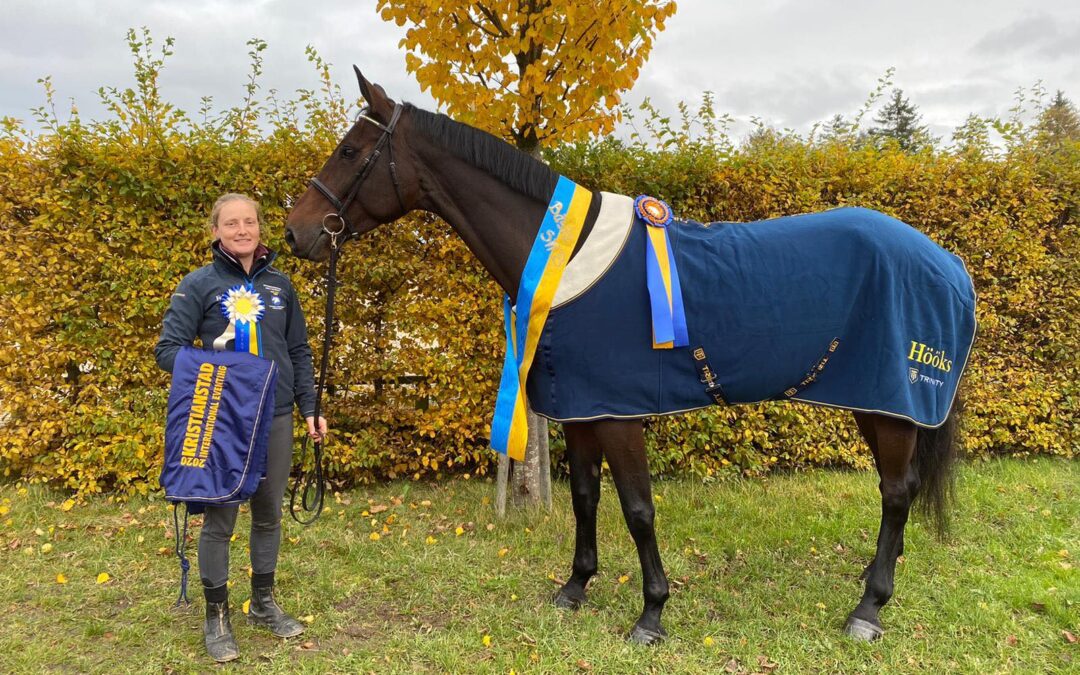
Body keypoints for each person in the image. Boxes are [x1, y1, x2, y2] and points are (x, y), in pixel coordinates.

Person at [155, 193, 328, 663]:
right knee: (221, 519)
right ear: (216, 231)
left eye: (248, 222)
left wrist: (310, 406)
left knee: (269, 513)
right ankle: (217, 617)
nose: (241, 230)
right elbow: (168, 350)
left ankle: (264, 605)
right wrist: (220, 367)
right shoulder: (198, 285)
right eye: (231, 223)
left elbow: (299, 352)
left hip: (275, 416)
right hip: (223, 420)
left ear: (259, 230)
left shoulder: (281, 286)